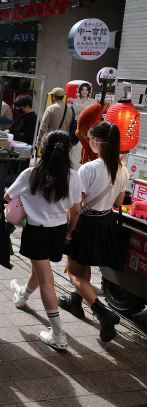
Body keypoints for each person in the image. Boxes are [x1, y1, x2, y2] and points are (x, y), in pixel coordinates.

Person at [8, 130, 84, 349]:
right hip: (59, 230)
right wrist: (69, 232)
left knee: (46, 280)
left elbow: (7, 197)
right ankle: (22, 295)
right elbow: (76, 211)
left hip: (37, 231)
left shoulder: (30, 175)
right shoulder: (73, 176)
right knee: (40, 270)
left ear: (43, 147)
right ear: (68, 150)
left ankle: (58, 335)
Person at [60, 121, 128, 342]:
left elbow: (76, 208)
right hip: (106, 223)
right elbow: (118, 202)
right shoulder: (122, 169)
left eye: (90, 138)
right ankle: (76, 302)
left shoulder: (88, 168)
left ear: (97, 142)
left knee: (74, 273)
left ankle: (102, 313)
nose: (89, 142)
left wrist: (68, 232)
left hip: (86, 224)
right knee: (84, 267)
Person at [68, 82, 97, 168]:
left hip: (87, 129)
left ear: (89, 92)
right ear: (79, 91)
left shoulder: (92, 101)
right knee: (73, 150)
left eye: (86, 90)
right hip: (75, 128)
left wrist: (76, 104)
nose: (84, 92)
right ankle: (73, 170)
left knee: (85, 152)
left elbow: (88, 111)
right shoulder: (74, 100)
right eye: (82, 90)